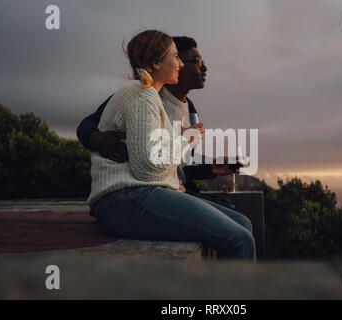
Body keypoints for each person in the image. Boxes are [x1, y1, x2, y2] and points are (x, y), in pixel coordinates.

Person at [86, 30, 256, 261]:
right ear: (156, 62)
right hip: (125, 199)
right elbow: (146, 166)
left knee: (242, 223)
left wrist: (194, 151)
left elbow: (164, 159)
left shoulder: (149, 95)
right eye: (175, 57)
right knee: (240, 240)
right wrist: (184, 139)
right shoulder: (142, 95)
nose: (179, 64)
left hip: (135, 195)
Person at [77, 36, 238, 194]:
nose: (204, 68)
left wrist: (212, 168)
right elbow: (88, 123)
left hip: (177, 189)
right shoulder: (144, 95)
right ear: (164, 63)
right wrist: (96, 139)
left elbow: (181, 165)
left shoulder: (190, 110)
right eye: (196, 62)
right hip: (146, 190)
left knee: (239, 217)